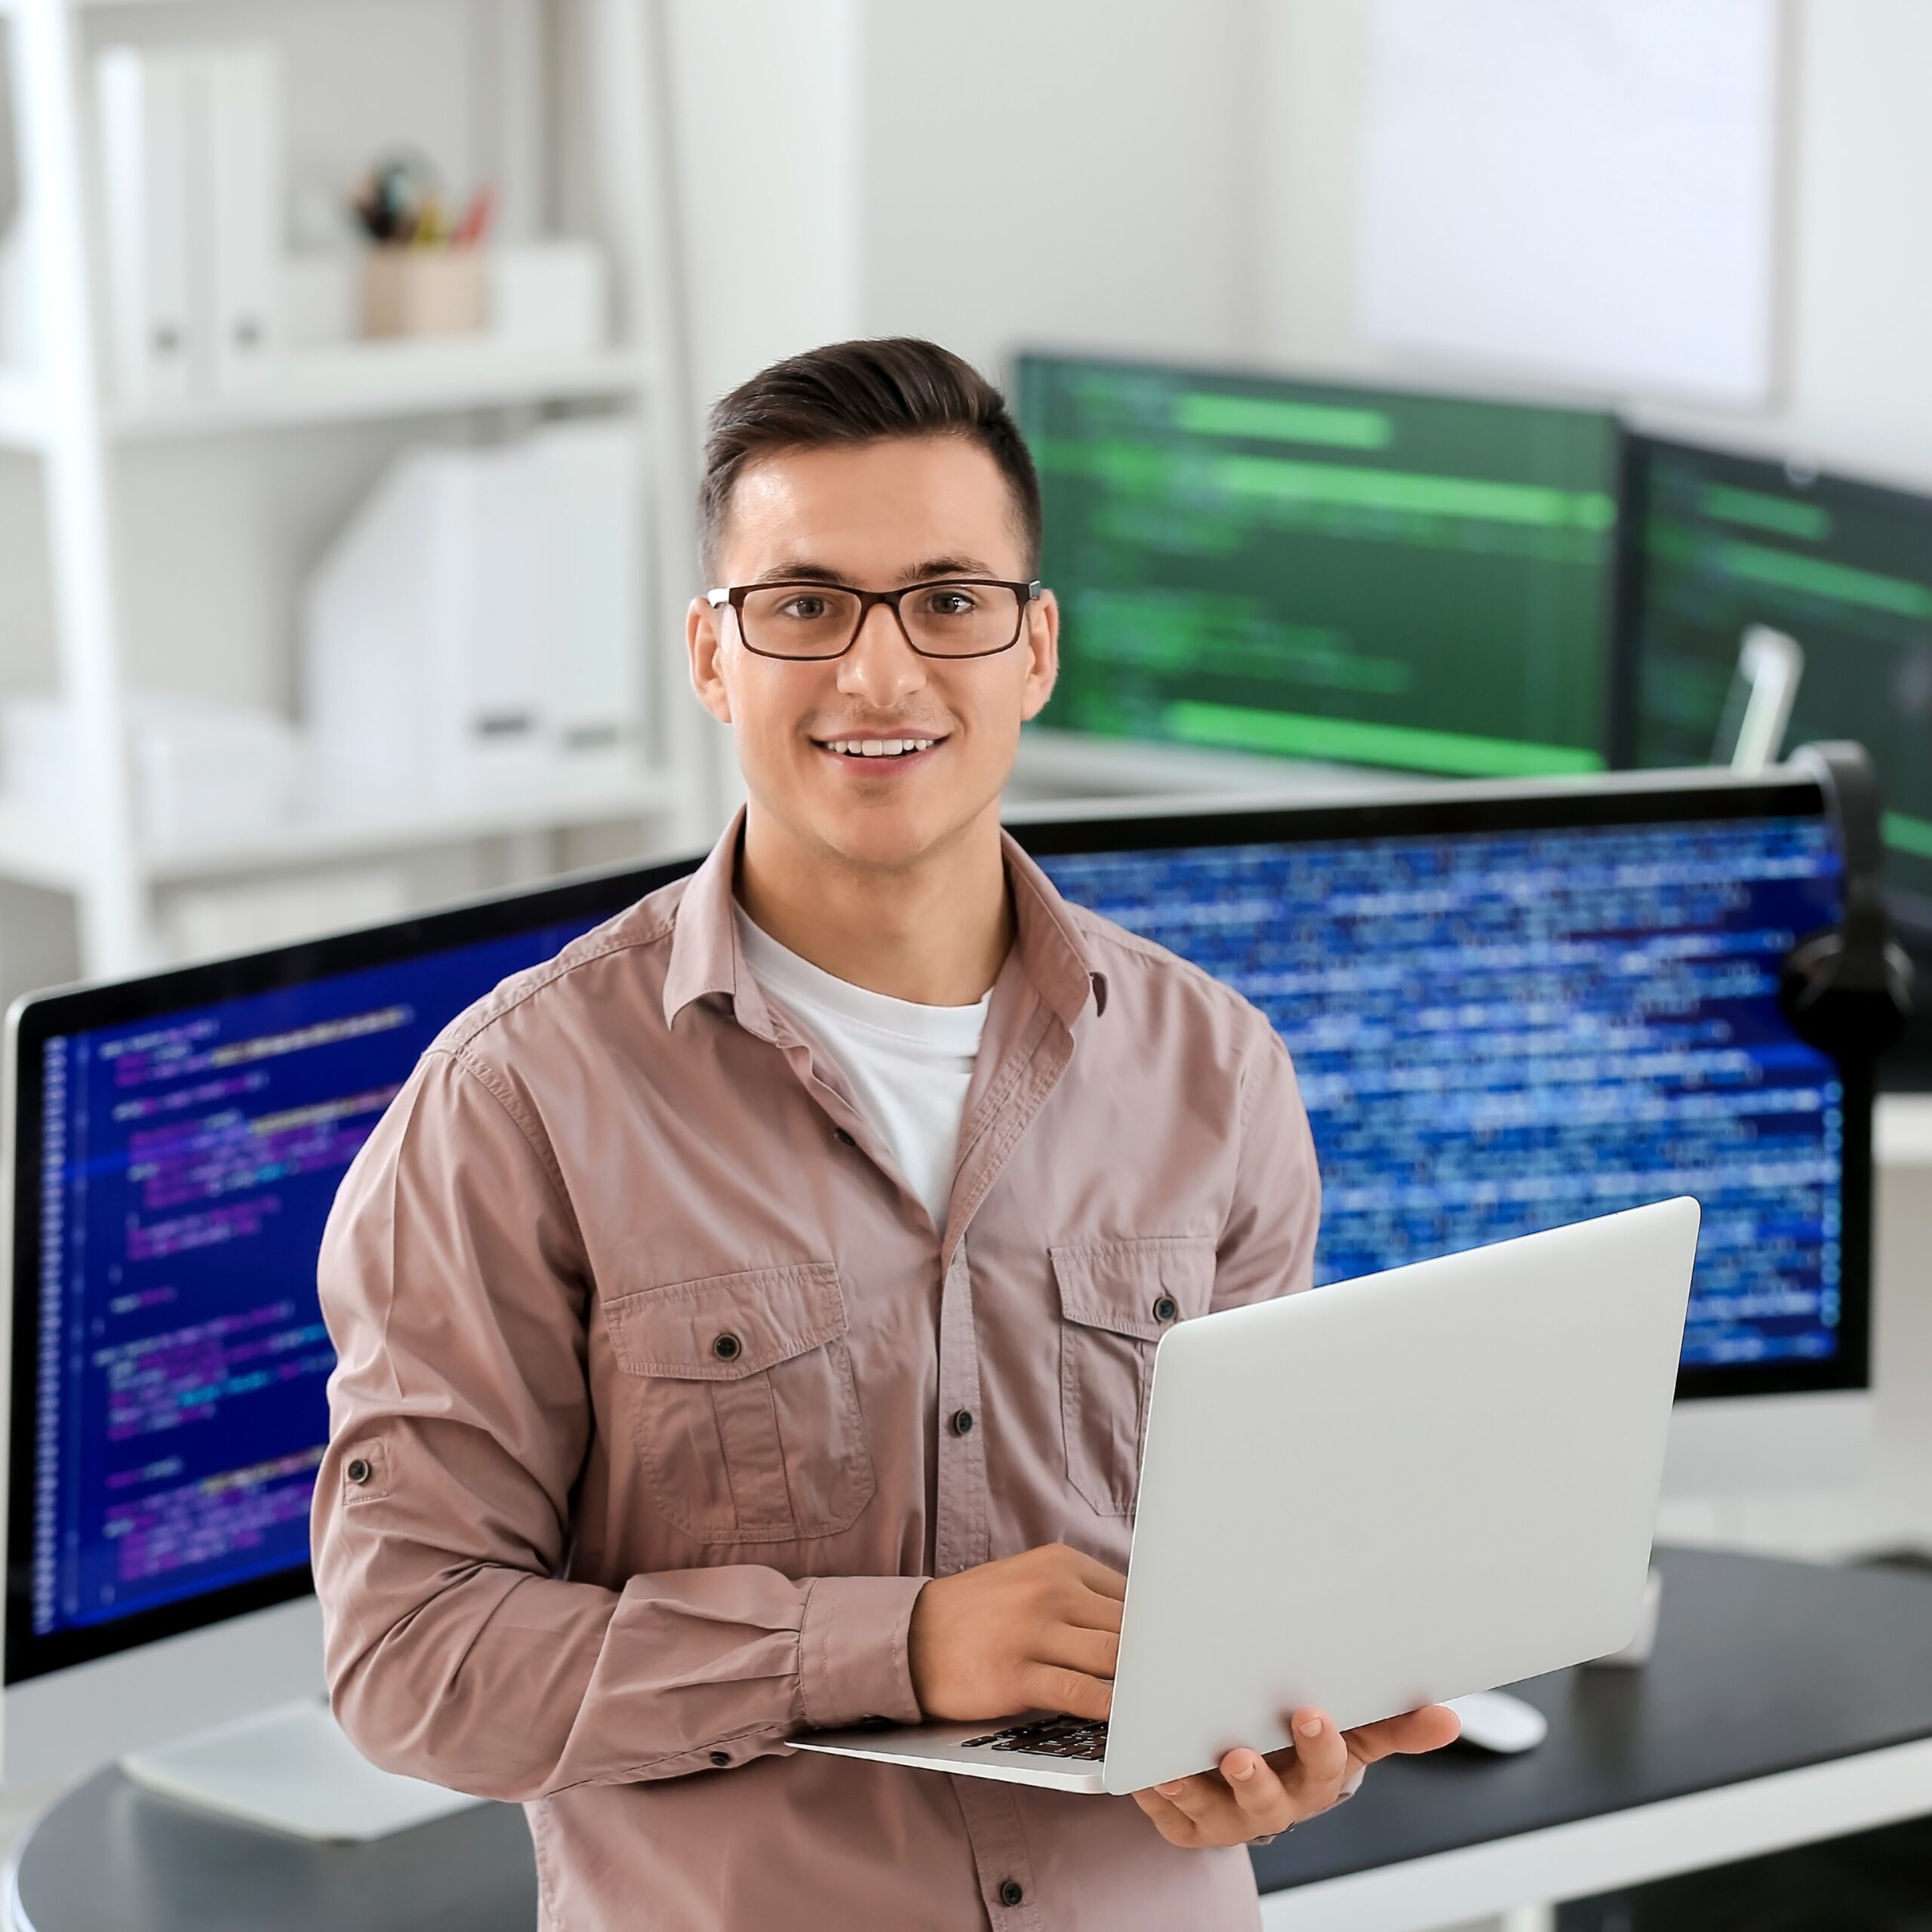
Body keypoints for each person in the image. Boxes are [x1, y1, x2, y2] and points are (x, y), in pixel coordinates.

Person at [311, 337, 1457, 1931]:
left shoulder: (1214, 1067)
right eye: (802, 605)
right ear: (711, 658)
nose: (879, 674)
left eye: (947, 598)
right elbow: (408, 1658)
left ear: (1032, 646)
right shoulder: (516, 1101)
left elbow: (1255, 1583)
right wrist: (897, 1643)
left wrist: (1284, 1736)